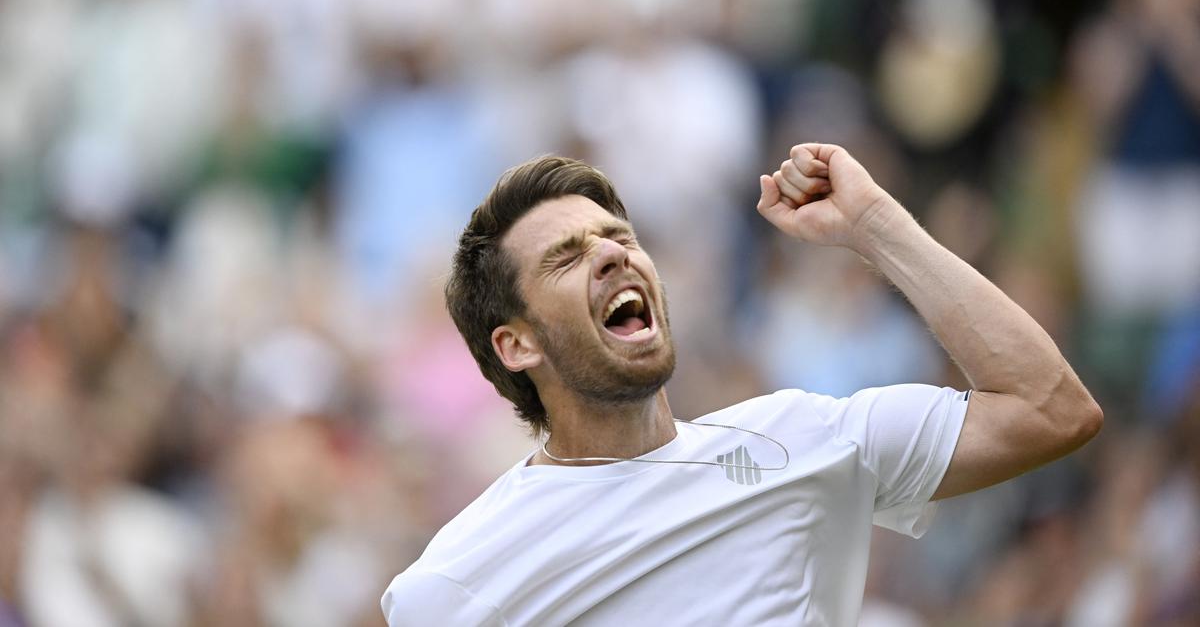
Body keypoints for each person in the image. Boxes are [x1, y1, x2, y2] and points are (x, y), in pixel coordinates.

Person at [381, 143, 1103, 626]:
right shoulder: (451, 584)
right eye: (566, 258)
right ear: (516, 344)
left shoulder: (805, 438)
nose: (611, 255)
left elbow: (1050, 408)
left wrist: (875, 225)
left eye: (621, 238)